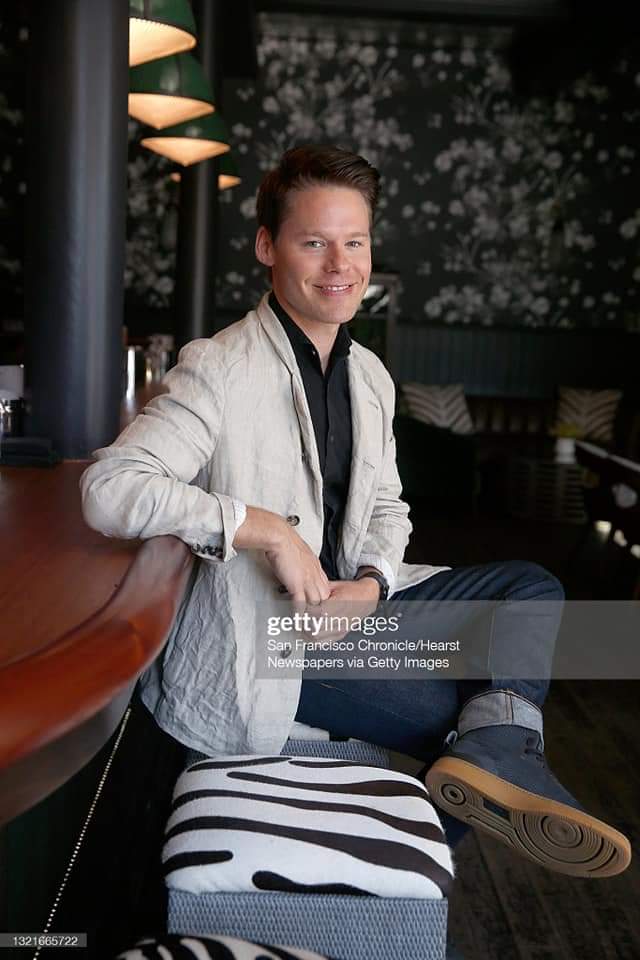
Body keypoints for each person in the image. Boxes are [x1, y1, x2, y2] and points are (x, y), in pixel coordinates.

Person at [81, 144, 630, 880]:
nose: (341, 264)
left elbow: (387, 506)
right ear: (268, 246)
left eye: (355, 242)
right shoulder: (218, 367)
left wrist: (372, 581)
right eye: (314, 242)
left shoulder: (369, 374)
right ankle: (402, 877)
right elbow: (111, 488)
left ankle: (491, 763)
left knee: (529, 589)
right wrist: (262, 528)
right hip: (276, 643)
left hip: (356, 609)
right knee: (464, 719)